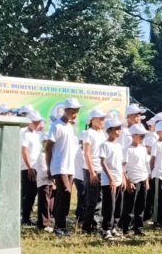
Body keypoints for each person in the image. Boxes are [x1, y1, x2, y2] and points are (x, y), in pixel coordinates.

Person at [45, 98, 81, 236]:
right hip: (58, 166)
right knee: (64, 191)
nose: (75, 114)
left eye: (77, 111)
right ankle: (59, 227)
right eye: (72, 111)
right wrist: (48, 168)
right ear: (65, 110)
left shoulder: (71, 127)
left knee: (66, 196)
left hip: (70, 167)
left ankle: (61, 226)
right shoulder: (56, 126)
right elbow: (48, 148)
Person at [120, 124, 151, 236]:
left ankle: (138, 228)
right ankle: (126, 228)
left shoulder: (143, 149)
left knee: (141, 205)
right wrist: (127, 181)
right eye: (140, 135)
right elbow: (123, 168)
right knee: (129, 206)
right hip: (133, 180)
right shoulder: (127, 149)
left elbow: (145, 165)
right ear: (133, 136)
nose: (142, 137)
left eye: (143, 135)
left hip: (142, 179)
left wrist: (147, 180)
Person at [99, 118, 126, 240]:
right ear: (109, 131)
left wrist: (123, 178)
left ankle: (114, 226)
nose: (119, 131)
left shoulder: (119, 146)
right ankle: (106, 229)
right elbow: (103, 162)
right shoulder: (105, 145)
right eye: (116, 129)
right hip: (109, 181)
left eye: (120, 129)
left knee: (118, 205)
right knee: (109, 205)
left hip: (119, 180)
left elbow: (120, 164)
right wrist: (111, 178)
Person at [80, 109, 107, 233]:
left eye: (103, 119)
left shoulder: (103, 133)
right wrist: (92, 172)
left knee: (100, 198)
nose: (102, 121)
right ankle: (87, 226)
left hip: (101, 169)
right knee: (92, 199)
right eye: (100, 118)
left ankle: (95, 223)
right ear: (92, 120)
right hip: (92, 169)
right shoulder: (88, 133)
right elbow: (87, 153)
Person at [20, 111, 43, 227]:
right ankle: (25, 218)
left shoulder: (36, 134)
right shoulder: (24, 134)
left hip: (36, 166)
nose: (37, 124)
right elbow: (24, 151)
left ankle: (27, 216)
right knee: (29, 193)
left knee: (33, 193)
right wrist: (29, 167)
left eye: (39, 122)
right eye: (35, 122)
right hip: (28, 167)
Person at [34, 133, 55, 232]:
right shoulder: (41, 155)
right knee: (44, 203)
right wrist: (54, 178)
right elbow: (44, 171)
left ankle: (47, 222)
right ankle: (43, 224)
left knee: (50, 203)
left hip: (50, 182)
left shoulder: (50, 155)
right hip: (43, 183)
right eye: (46, 142)